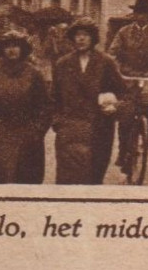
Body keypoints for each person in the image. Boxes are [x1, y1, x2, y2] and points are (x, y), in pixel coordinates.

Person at [51, 17, 126, 184]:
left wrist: (115, 107)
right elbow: (54, 98)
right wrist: (58, 121)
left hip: (99, 129)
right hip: (70, 130)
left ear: (93, 38)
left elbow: (123, 93)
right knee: (67, 179)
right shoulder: (63, 64)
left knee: (93, 177)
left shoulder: (106, 62)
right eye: (77, 35)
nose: (81, 38)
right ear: (72, 38)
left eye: (85, 35)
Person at [108, 0, 148, 177]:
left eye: (144, 13)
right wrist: (116, 70)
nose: (141, 17)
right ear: (134, 15)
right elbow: (113, 53)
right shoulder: (123, 32)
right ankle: (122, 151)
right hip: (127, 77)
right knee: (125, 113)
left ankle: (147, 135)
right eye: (138, 13)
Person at [0, 31, 51, 184]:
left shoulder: (34, 75)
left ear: (23, 49)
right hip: (0, 135)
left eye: (16, 46)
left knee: (25, 181)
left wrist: (37, 131)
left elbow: (45, 107)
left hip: (27, 136)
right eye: (8, 46)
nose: (12, 50)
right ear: (2, 50)